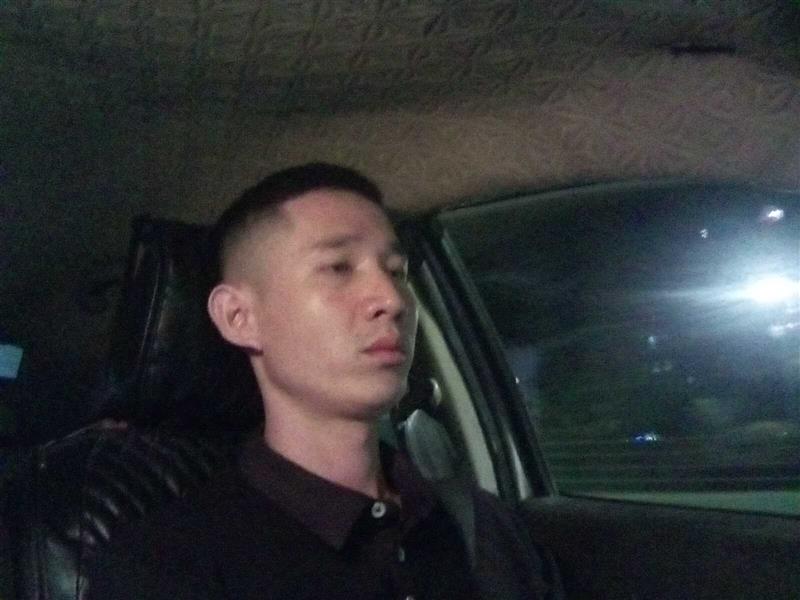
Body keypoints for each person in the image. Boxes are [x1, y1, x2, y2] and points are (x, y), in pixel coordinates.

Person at [88, 163, 562, 599]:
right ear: (239, 317)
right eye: (338, 267)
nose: (392, 299)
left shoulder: (484, 527)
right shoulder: (163, 569)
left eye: (397, 271)